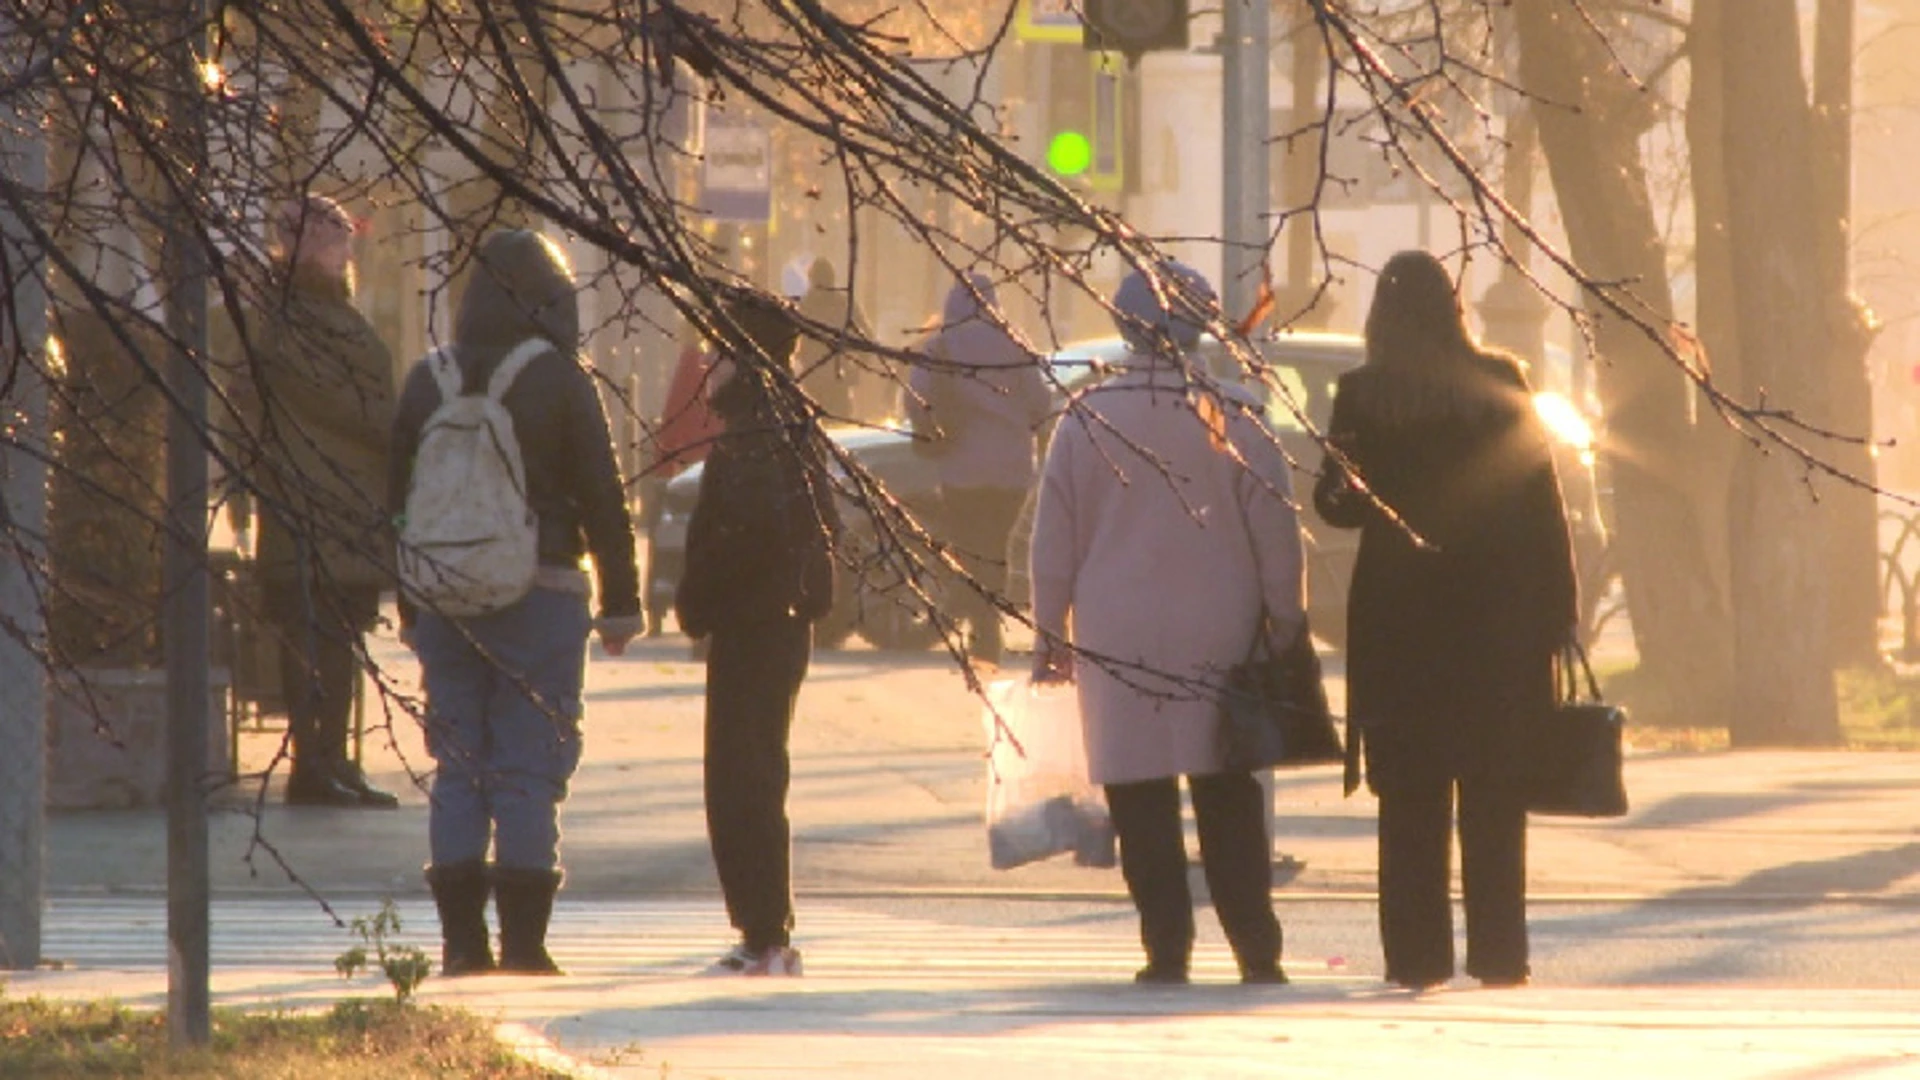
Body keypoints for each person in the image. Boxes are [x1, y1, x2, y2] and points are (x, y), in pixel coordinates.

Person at [1029, 261, 1302, 985]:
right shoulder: (1234, 413)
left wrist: (1048, 633)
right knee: (1228, 794)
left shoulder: (1085, 418)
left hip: (1117, 637)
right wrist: (1285, 616)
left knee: (1140, 795)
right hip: (1223, 629)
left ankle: (1167, 949)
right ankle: (1255, 948)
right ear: (1204, 325)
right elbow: (1276, 529)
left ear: (1123, 327)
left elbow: (1053, 542)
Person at [1312, 250, 1577, 991]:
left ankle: (1417, 959)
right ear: (1455, 310)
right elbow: (1541, 505)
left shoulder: (1364, 396)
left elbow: (1337, 508)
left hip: (1399, 625)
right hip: (1496, 626)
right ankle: (1499, 956)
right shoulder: (1501, 383)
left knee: (1409, 805)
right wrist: (1557, 611)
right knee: (1494, 801)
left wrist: (1351, 469)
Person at [391, 229, 642, 976]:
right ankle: (526, 944)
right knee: (530, 764)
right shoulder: (561, 380)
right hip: (544, 589)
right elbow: (603, 495)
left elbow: (396, 499)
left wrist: (409, 602)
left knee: (459, 761)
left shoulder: (426, 380)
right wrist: (622, 603)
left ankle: (462, 942)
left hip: (444, 600)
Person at [674, 292, 840, 977]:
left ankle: (765, 933)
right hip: (777, 618)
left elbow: (737, 536)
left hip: (754, 621)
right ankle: (763, 929)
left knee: (742, 778)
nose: (708, 363)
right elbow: (821, 523)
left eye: (717, 349)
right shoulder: (785, 421)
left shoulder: (757, 434)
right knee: (755, 773)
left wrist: (697, 602)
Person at [218, 193, 398, 809]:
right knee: (313, 634)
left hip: (347, 503)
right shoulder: (285, 318)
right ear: (307, 248)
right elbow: (341, 402)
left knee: (340, 637)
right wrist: (394, 425)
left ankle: (334, 760)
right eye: (336, 238)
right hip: (308, 500)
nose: (347, 249)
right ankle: (312, 764)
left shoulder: (323, 313)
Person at [907, 273, 1051, 668]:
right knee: (998, 547)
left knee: (969, 546)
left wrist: (933, 427)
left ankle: (978, 623)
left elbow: (915, 399)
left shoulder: (941, 346)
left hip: (959, 468)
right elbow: (1040, 403)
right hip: (1012, 469)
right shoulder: (1015, 343)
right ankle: (985, 628)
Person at [640, 320, 724, 636]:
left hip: (686, 463)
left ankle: (657, 608)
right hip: (709, 459)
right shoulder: (716, 365)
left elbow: (675, 413)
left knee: (665, 540)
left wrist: (661, 466)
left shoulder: (689, 361)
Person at [795, 257, 886, 423]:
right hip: (837, 379)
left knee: (815, 429)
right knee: (840, 427)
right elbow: (866, 338)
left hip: (814, 380)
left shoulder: (805, 306)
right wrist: (858, 367)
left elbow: (794, 344)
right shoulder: (843, 304)